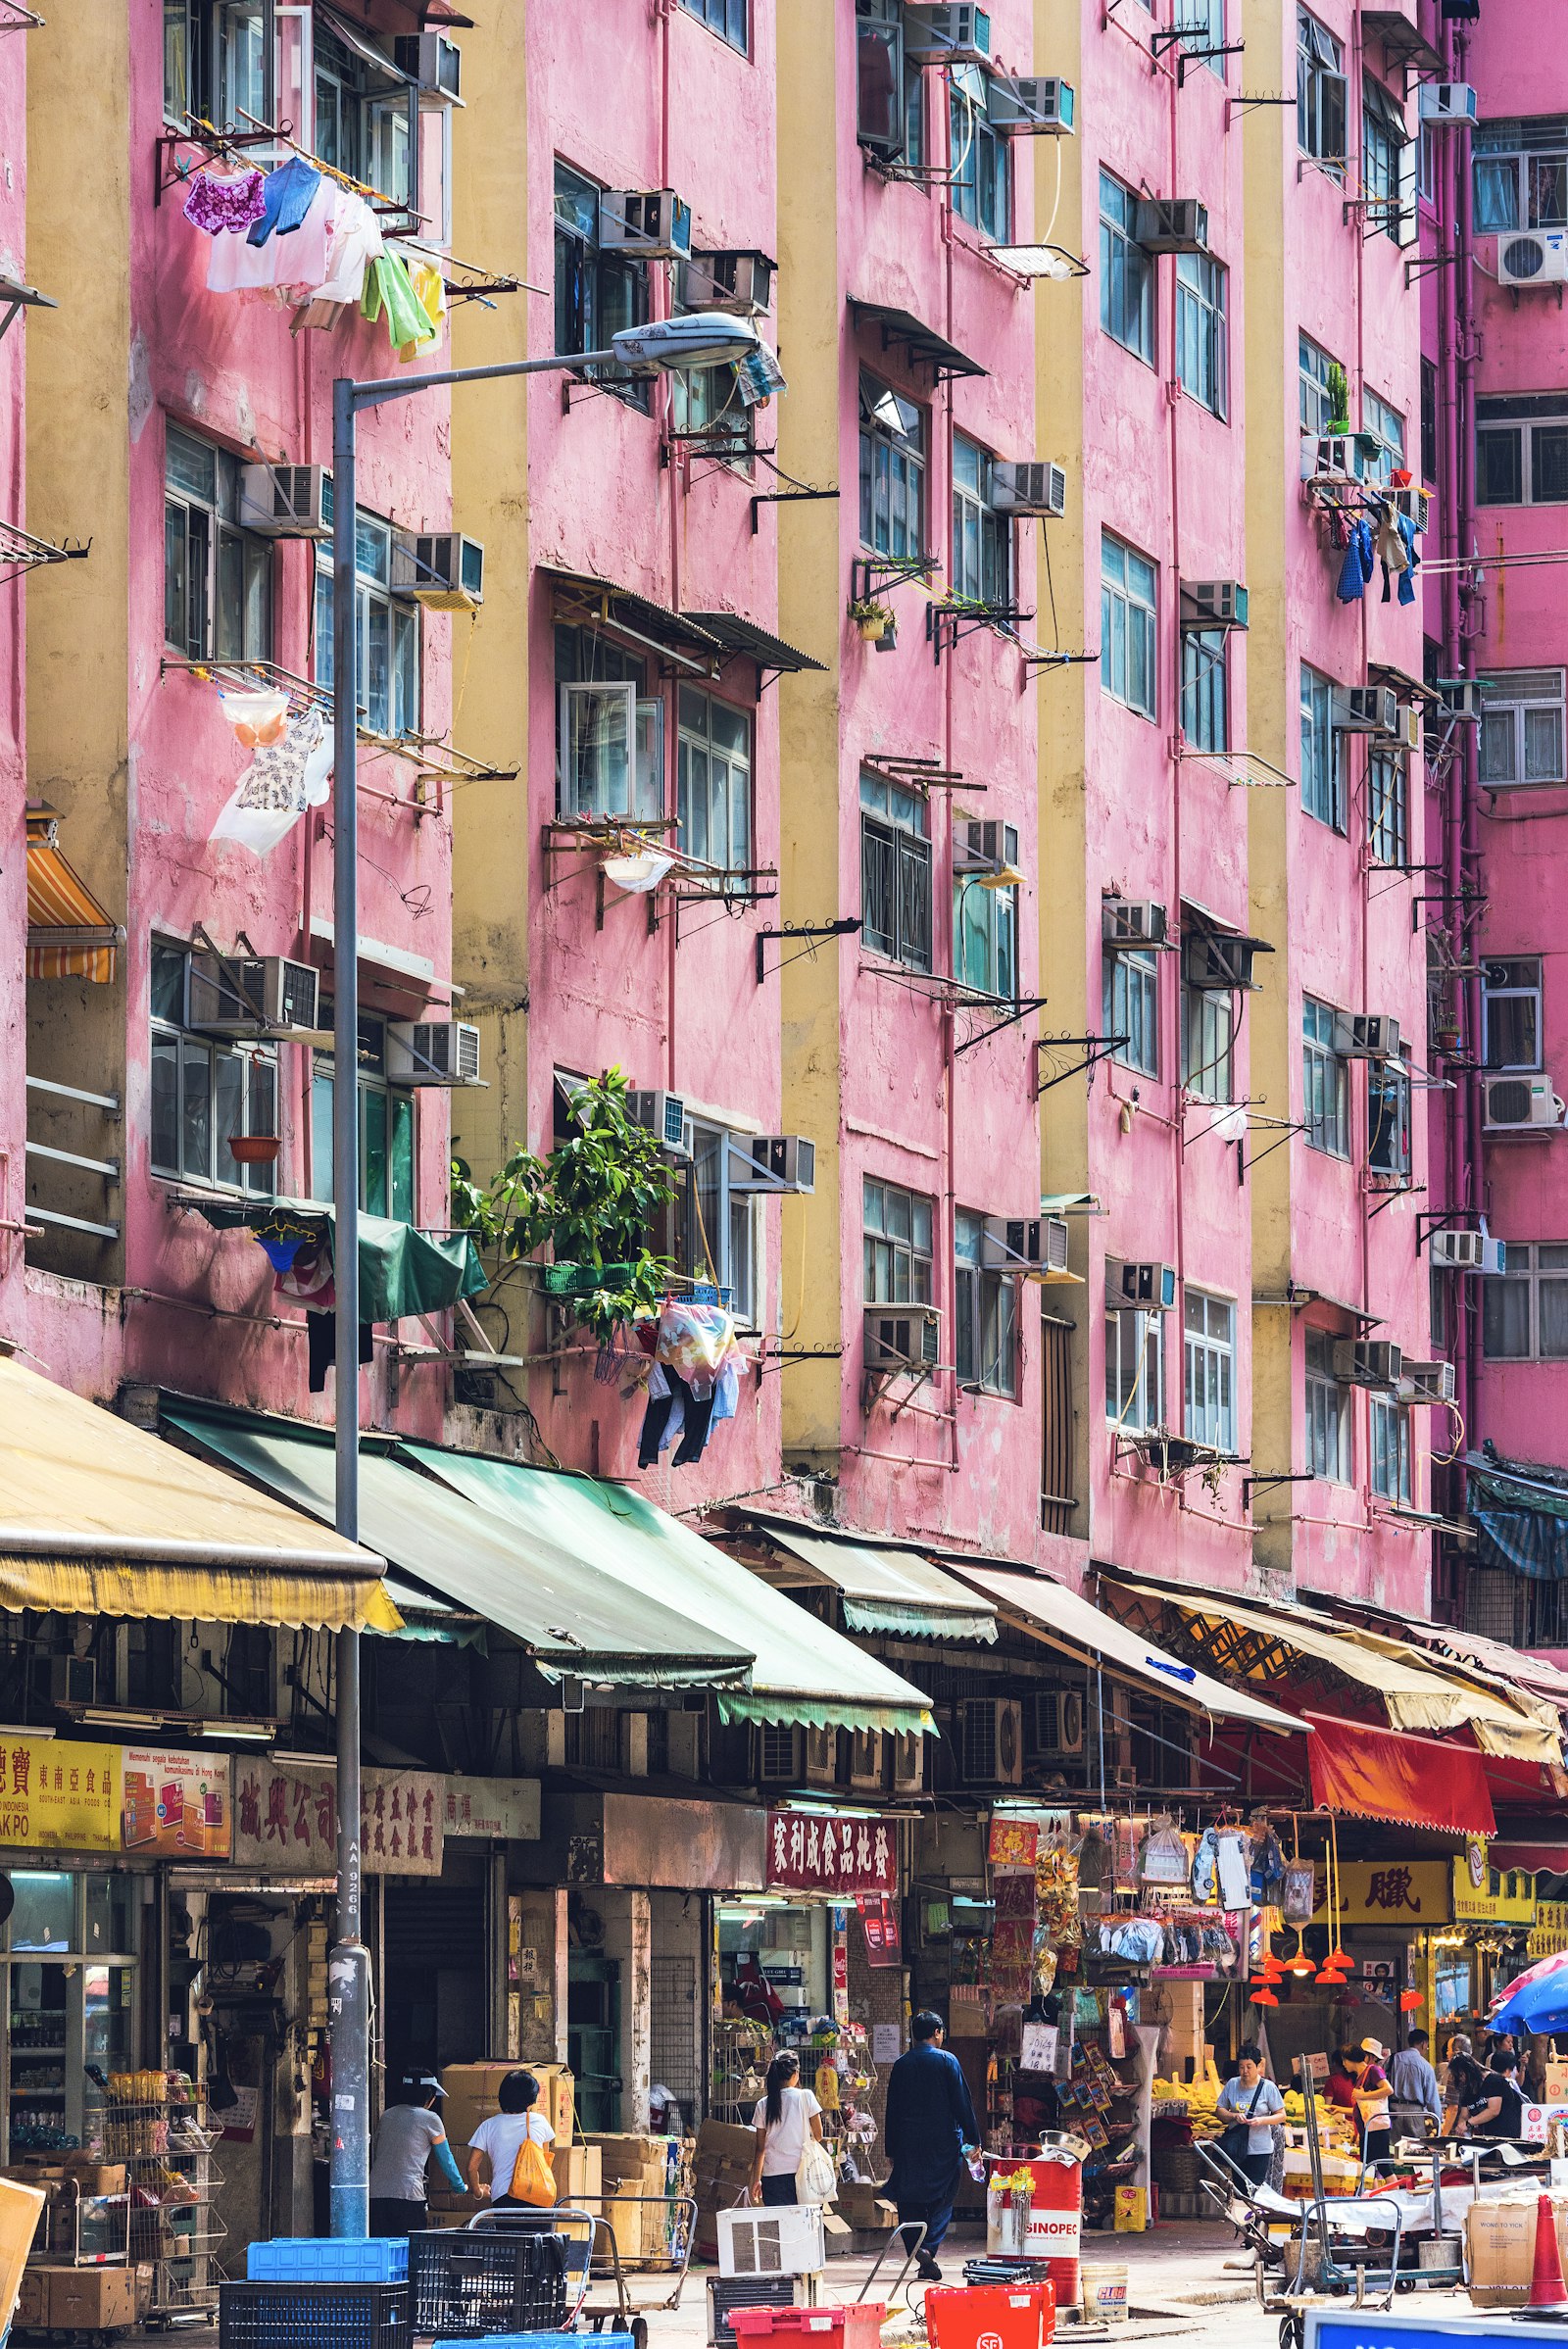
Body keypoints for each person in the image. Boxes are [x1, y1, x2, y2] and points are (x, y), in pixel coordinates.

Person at [883, 2011, 980, 2282]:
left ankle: (919, 2252)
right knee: (944, 2198)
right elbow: (963, 2104)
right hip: (944, 2144)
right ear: (937, 2032)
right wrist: (974, 2141)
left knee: (909, 2200)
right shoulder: (948, 2061)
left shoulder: (901, 2064)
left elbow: (892, 2110)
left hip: (908, 2144)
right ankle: (928, 2248)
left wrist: (891, 2149)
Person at [368, 2072, 466, 2235]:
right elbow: (445, 2158)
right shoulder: (430, 2119)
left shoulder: (387, 2115)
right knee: (410, 2252)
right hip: (408, 2195)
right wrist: (459, 2186)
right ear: (429, 2097)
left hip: (375, 2194)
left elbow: (378, 2151)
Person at [466, 2069, 557, 2206]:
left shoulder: (488, 2126)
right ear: (531, 2099)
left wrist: (478, 2192)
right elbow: (544, 2162)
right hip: (538, 2194)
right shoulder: (540, 2121)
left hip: (503, 2197)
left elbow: (471, 2167)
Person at [748, 2050, 824, 2208]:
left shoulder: (763, 2104)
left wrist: (757, 2179)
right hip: (803, 2175)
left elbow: (760, 2149)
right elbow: (819, 2135)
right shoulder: (806, 2096)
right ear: (795, 2074)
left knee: (780, 2229)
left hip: (772, 2178)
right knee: (805, 2227)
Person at [1214, 2046, 1287, 2188]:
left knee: (1255, 2190)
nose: (1245, 2071)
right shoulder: (1232, 2084)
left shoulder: (1268, 2087)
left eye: (1249, 2066)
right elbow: (1219, 2110)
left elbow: (1281, 2115)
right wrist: (1234, 2116)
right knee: (1239, 2190)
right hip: (1236, 2148)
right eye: (1241, 2067)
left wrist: (1262, 2120)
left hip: (1259, 2149)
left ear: (1258, 2066)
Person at [1389, 2029, 1444, 2139]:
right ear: (1424, 2044)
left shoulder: (1392, 2059)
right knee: (1416, 2148)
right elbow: (1432, 2099)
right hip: (1415, 2113)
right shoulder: (1426, 2066)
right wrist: (1437, 2121)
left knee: (1394, 2148)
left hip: (1393, 2111)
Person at [1348, 2038, 1392, 2167]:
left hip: (1376, 2128)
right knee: (1369, 2169)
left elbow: (1388, 2090)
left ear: (1369, 2056)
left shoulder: (1373, 2070)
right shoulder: (1362, 2074)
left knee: (1383, 2168)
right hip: (1367, 2128)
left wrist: (1363, 2095)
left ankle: (1394, 2188)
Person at [1468, 2047, 1527, 2139]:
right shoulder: (1500, 2082)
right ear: (1508, 2070)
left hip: (1497, 2134)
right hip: (1506, 2134)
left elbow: (1493, 2110)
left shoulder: (1488, 2081)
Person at [1443, 2034, 1487, 2137]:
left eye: (1448, 2049)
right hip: (1476, 2126)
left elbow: (1453, 2108)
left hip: (1460, 2128)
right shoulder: (1477, 2069)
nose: (1447, 2053)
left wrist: (1443, 2135)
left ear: (1456, 2051)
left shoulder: (1455, 2072)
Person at [1325, 2047, 1358, 2113]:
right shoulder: (1359, 2078)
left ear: (1335, 2063)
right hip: (1360, 2120)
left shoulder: (1332, 2081)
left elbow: (1327, 2107)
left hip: (1341, 2121)